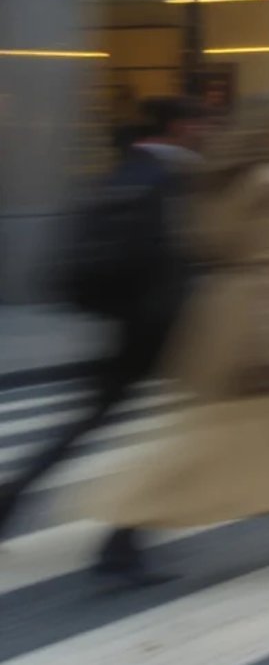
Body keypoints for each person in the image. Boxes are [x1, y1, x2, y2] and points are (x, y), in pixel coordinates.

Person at [83, 96, 269, 581]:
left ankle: (121, 539)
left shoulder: (219, 182)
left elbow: (206, 245)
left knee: (209, 436)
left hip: (220, 316)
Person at [0, 98, 211, 557]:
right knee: (187, 430)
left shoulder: (127, 168)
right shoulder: (170, 178)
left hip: (132, 323)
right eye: (199, 123)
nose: (204, 132)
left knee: (90, 421)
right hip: (164, 325)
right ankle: (125, 536)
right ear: (179, 126)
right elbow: (173, 254)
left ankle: (14, 496)